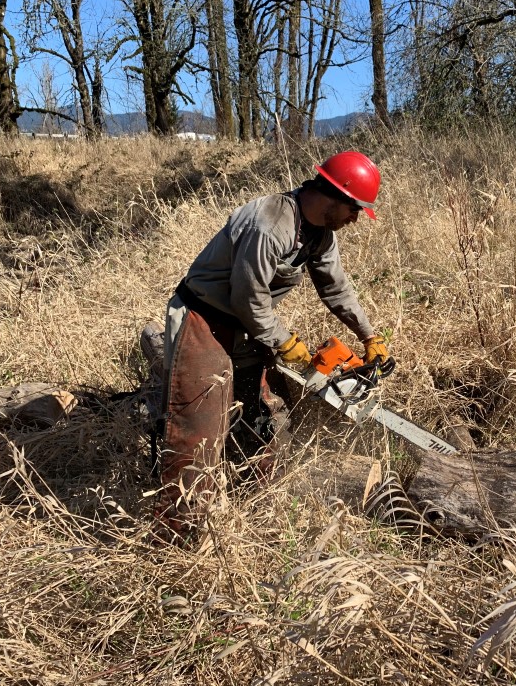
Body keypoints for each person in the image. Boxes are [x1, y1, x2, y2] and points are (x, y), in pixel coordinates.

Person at [154, 150, 391, 542]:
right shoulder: (270, 224)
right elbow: (248, 297)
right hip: (204, 317)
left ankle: (254, 511)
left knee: (268, 416)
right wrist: (284, 342)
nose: (355, 219)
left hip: (247, 327)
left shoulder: (321, 234)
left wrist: (368, 335)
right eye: (355, 210)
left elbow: (336, 288)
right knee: (197, 429)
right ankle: (178, 536)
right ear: (335, 196)